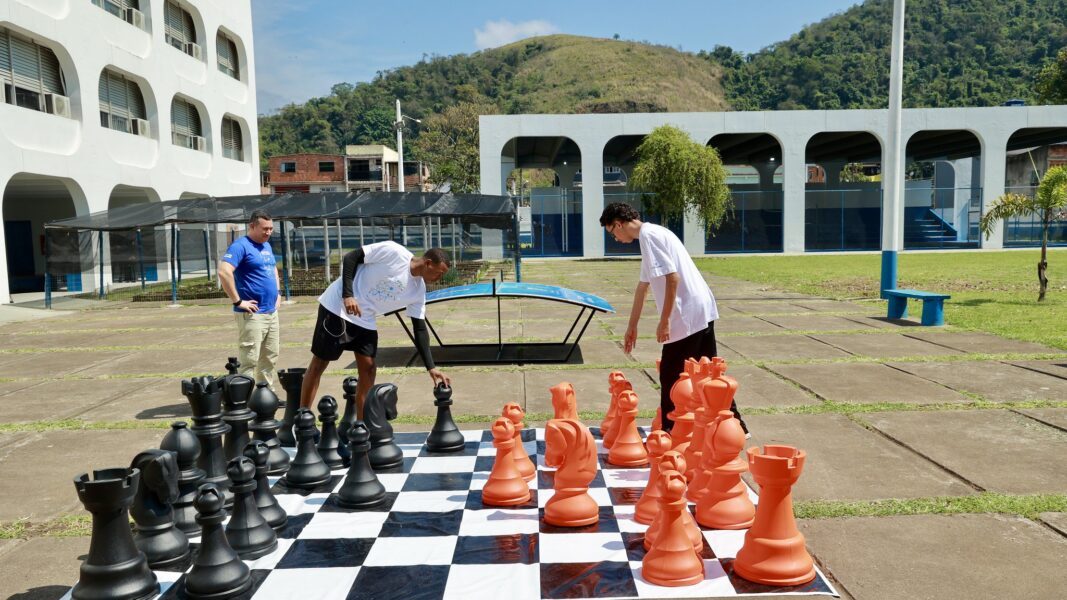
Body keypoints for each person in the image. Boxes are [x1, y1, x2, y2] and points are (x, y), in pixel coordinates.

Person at [599, 202, 747, 435]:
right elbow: (642, 287)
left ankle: (670, 431)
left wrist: (665, 320)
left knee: (671, 373)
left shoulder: (649, 237)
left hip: (687, 312)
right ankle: (736, 425)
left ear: (618, 224)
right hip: (701, 308)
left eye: (612, 232)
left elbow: (673, 278)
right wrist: (631, 327)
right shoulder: (653, 234)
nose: (615, 238)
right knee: (708, 372)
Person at [300, 240, 452, 418]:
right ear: (427, 263)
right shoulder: (394, 252)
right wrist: (348, 295)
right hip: (337, 307)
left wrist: (431, 367)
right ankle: (303, 419)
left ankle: (362, 425)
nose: (439, 278)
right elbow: (351, 257)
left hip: (365, 318)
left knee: (369, 368)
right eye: (439, 273)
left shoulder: (418, 291)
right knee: (319, 363)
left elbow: (419, 329)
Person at [218, 210, 281, 390]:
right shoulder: (240, 246)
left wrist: (278, 292)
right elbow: (224, 272)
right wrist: (238, 302)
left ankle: (266, 394)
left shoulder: (266, 246)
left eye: (271, 229)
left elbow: (273, 269)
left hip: (271, 312)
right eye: (265, 229)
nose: (268, 233)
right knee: (250, 359)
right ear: (252, 226)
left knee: (270, 356)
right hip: (252, 314)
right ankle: (246, 398)